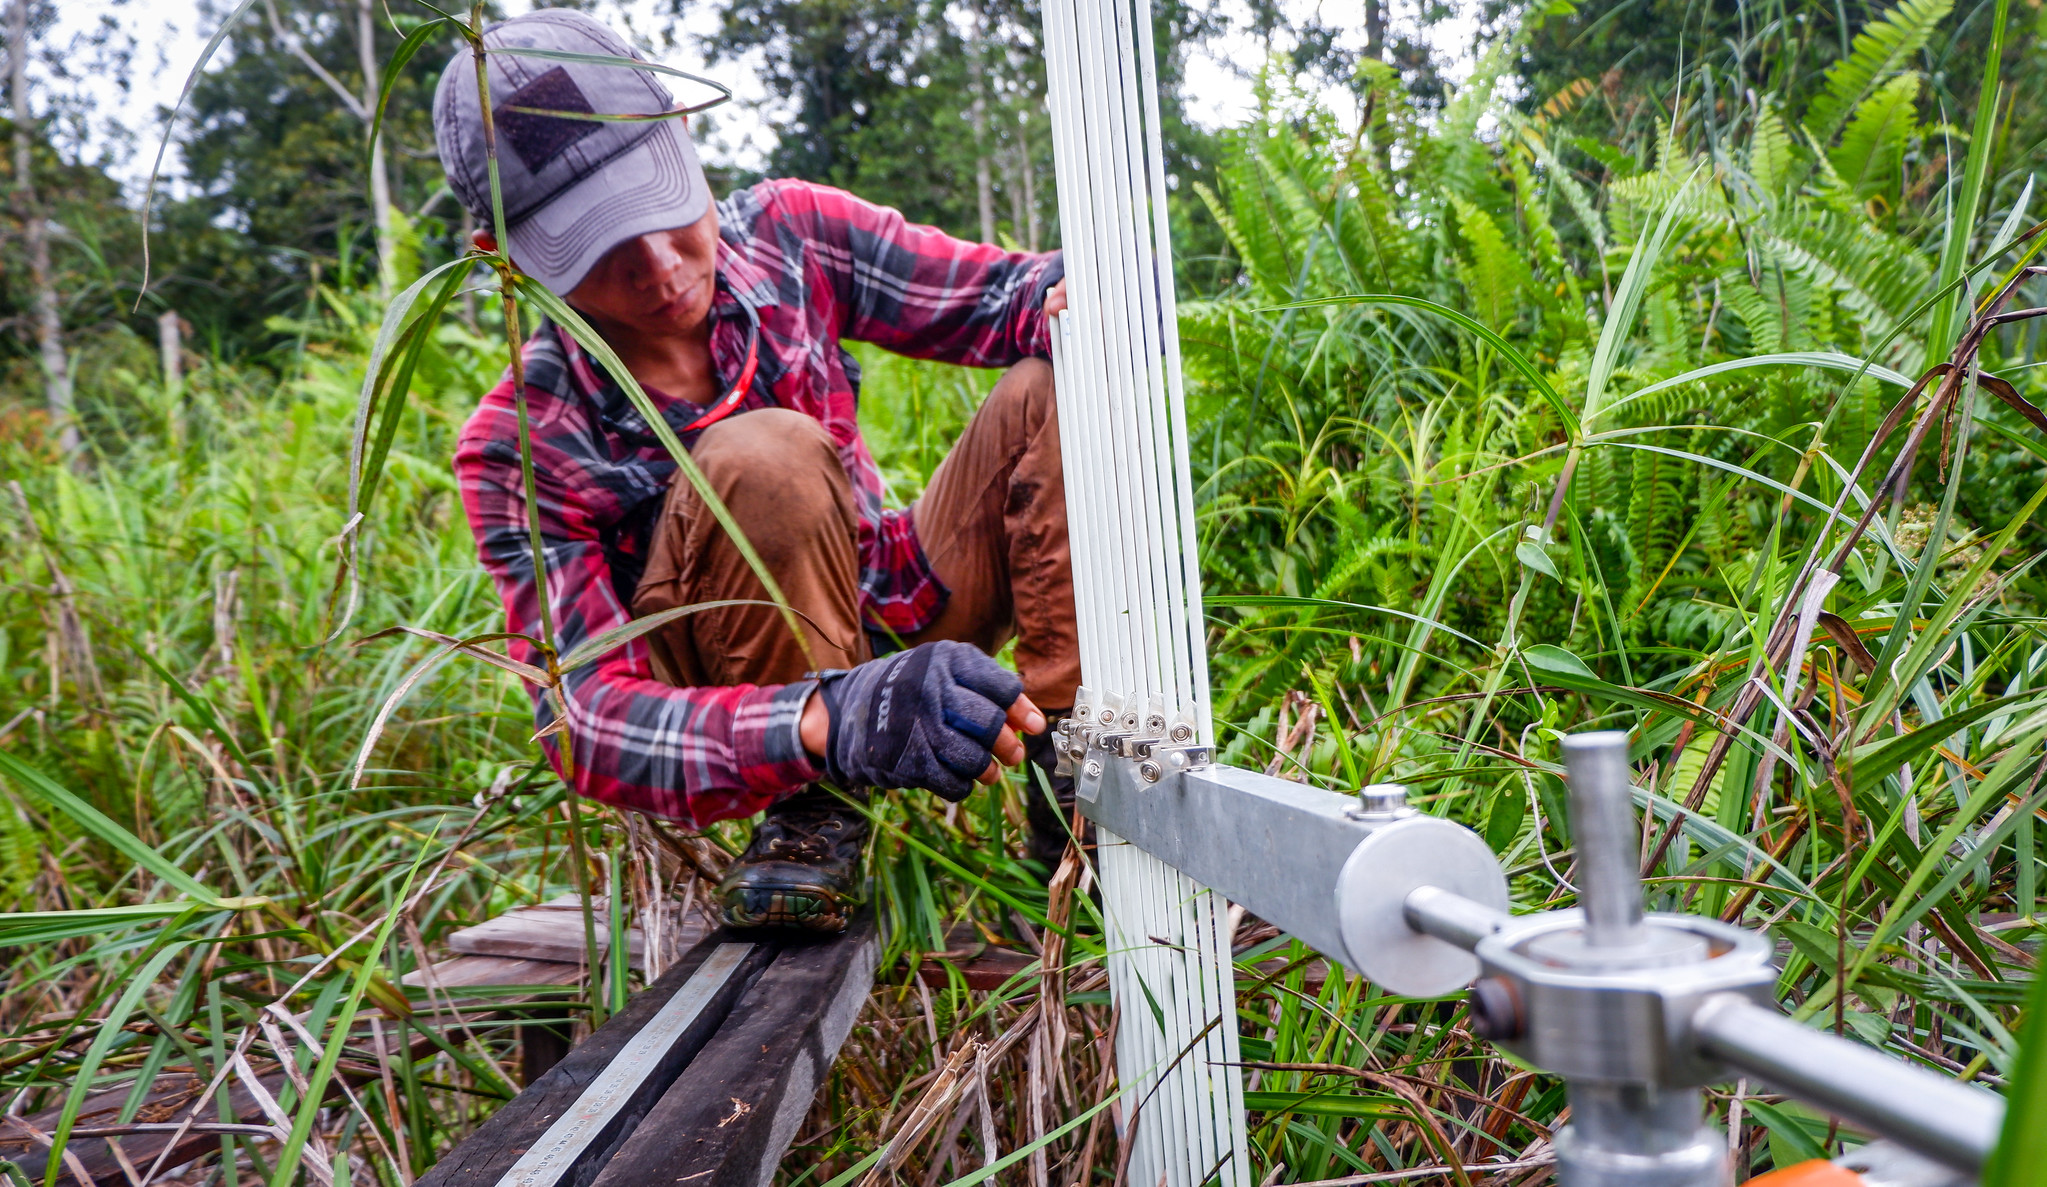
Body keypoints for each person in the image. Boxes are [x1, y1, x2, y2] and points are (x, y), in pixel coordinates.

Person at [433, 8, 1080, 933]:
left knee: (1051, 378)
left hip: (898, 599)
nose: (660, 266)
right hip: (757, 691)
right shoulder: (524, 441)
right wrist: (825, 719)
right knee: (761, 453)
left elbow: (996, 297)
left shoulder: (791, 234)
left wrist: (1063, 294)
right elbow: (585, 720)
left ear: (684, 142)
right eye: (600, 249)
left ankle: (1071, 796)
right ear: (507, 264)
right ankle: (816, 814)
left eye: (659, 209)